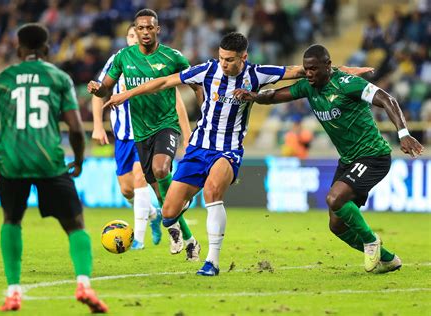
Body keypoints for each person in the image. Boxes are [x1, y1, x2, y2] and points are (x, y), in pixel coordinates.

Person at [101, 32, 370, 276]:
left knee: (212, 192)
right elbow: (163, 82)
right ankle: (184, 235)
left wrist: (343, 71)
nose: (223, 64)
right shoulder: (206, 70)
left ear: (244, 57)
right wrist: (126, 94)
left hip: (228, 150)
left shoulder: (258, 73)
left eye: (229, 60)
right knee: (169, 212)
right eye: (221, 58)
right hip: (198, 149)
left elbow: (301, 70)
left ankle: (212, 262)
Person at [233, 44, 424, 273]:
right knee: (336, 225)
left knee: (335, 198)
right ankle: (388, 259)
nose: (309, 73)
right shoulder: (307, 87)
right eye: (306, 69)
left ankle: (371, 241)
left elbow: (387, 99)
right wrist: (252, 96)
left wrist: (403, 133)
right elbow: (274, 96)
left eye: (314, 68)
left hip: (373, 155)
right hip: (349, 160)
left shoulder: (347, 84)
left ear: (328, 65)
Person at [0, 23, 108, 313]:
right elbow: (76, 128)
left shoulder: (5, 77)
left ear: (18, 48)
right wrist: (78, 159)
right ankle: (84, 285)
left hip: (12, 161)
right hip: (48, 161)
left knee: (11, 221)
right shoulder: (58, 77)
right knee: (75, 224)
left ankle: (13, 292)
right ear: (47, 49)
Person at [88, 9, 201, 260]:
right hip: (139, 133)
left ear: (157, 29)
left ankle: (167, 219)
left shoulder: (172, 57)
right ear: (135, 31)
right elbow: (105, 87)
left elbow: (195, 82)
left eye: (150, 28)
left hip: (165, 125)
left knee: (161, 169)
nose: (146, 32)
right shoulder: (123, 58)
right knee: (161, 196)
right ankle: (188, 238)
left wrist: (202, 116)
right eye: (141, 28)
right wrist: (97, 89)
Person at [92, 23, 164, 250]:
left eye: (139, 34)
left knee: (140, 177)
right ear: (127, 38)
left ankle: (139, 238)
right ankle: (153, 215)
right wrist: (97, 126)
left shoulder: (155, 61)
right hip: (122, 135)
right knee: (126, 189)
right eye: (132, 35)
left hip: (147, 132)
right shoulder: (117, 61)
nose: (136, 38)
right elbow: (98, 92)